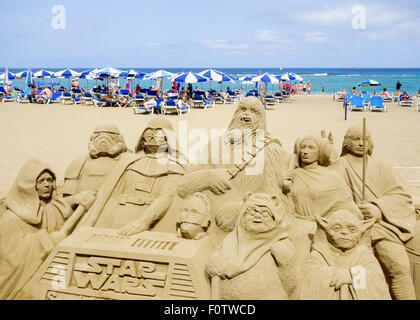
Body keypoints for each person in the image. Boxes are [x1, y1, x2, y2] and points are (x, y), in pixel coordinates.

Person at [334, 125, 417, 300]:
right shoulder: (337, 167)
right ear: (347, 142)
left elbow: (402, 196)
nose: (361, 143)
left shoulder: (382, 168)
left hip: (381, 229)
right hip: (351, 228)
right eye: (356, 139)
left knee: (398, 266)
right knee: (358, 270)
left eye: (365, 139)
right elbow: (328, 194)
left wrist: (378, 207)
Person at [0, 159, 96, 299]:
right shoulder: (12, 218)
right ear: (28, 186)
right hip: (17, 285)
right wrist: (48, 240)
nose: (47, 185)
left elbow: (57, 210)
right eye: (41, 181)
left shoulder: (50, 209)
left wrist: (76, 199)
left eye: (50, 180)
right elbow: (12, 259)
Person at [77, 118, 185, 235]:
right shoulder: (129, 160)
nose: (153, 137)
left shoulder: (174, 165)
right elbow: (108, 192)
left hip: (146, 219)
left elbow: (166, 196)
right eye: (149, 134)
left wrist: (143, 222)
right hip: (117, 215)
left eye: (158, 134)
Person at [205, 192, 298, 300]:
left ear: (274, 219)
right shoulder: (230, 241)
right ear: (242, 217)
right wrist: (213, 263)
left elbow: (291, 284)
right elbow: (213, 271)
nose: (257, 216)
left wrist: (286, 261)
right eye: (252, 212)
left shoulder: (280, 245)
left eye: (265, 214)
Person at [300, 210, 391, 300]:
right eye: (336, 228)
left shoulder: (364, 254)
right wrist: (335, 274)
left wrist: (352, 276)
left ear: (361, 231)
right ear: (325, 229)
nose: (344, 232)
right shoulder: (321, 253)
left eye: (352, 229)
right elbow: (310, 275)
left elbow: (375, 278)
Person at [62, 123, 130, 196]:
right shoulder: (79, 162)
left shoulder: (128, 160)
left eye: (110, 136)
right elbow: (68, 197)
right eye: (98, 136)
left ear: (119, 139)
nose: (103, 140)